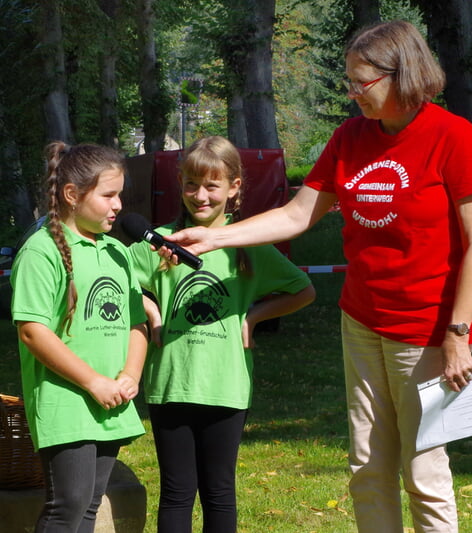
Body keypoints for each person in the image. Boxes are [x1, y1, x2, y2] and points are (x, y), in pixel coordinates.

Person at [160, 20, 472, 533]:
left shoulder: (455, 137)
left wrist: (457, 334)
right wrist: (214, 237)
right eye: (349, 81)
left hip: (426, 329)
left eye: (362, 82)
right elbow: (298, 214)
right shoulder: (350, 137)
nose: (352, 93)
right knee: (366, 466)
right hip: (362, 321)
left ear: (401, 74)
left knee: (423, 470)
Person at [128, 135, 315, 533]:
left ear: (234, 187)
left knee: (219, 492)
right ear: (179, 184)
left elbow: (304, 290)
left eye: (212, 185)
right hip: (170, 384)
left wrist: (254, 317)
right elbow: (120, 281)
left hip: (226, 386)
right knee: (176, 493)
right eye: (191, 184)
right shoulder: (160, 243)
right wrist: (152, 311)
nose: (200, 196)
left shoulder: (250, 246)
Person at [10, 141, 148, 533]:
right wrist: (91, 381)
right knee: (67, 506)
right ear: (72, 195)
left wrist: (130, 376)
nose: (118, 205)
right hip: (67, 403)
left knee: (88, 505)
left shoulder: (118, 253)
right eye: (108, 195)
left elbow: (137, 323)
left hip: (110, 401)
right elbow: (33, 331)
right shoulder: (42, 251)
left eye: (119, 194)